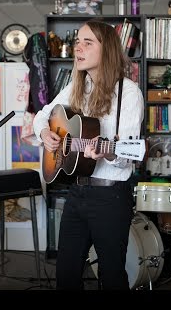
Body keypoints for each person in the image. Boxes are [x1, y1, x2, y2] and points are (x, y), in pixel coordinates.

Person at [33, 20, 144, 290]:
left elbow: (126, 154)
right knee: (66, 276)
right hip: (77, 192)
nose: (78, 48)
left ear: (106, 50)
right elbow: (42, 115)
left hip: (110, 196)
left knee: (112, 276)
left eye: (87, 42)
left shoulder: (129, 93)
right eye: (77, 42)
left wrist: (106, 153)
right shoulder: (76, 88)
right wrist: (44, 134)